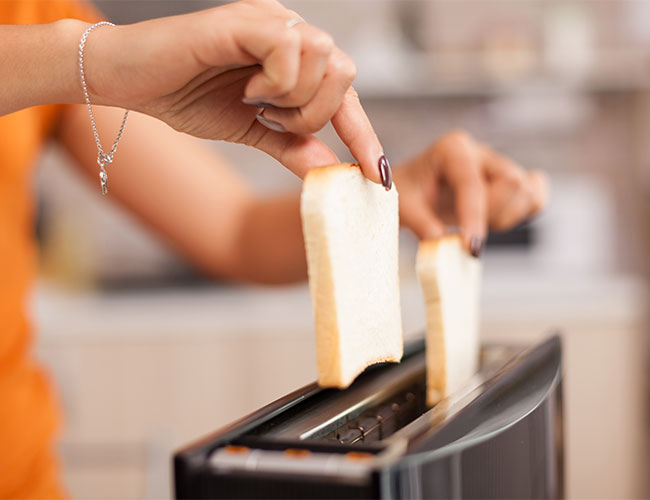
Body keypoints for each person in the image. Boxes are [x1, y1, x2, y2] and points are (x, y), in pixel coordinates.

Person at [0, 0, 548, 497]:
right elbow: (89, 60)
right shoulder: (69, 44)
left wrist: (389, 199)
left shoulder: (38, 11)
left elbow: (236, 229)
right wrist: (86, 58)